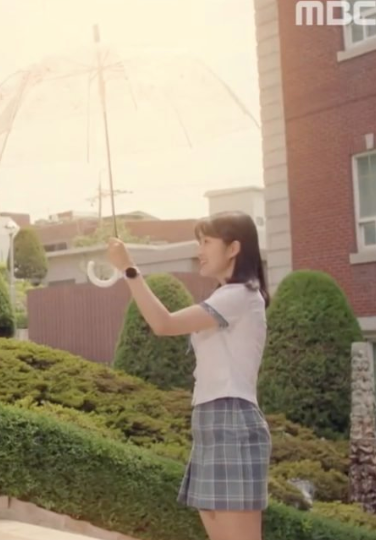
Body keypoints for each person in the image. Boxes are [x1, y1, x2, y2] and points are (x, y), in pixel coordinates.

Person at [106, 211, 270, 540]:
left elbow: (163, 323)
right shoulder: (226, 297)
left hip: (231, 420)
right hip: (211, 420)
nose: (200, 250)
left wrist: (129, 269)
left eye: (207, 242)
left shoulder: (239, 296)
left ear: (234, 248)